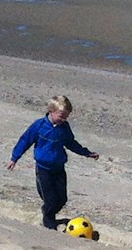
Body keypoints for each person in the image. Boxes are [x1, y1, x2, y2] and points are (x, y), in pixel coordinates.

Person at [7, 95, 100, 229]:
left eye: (66, 117)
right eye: (61, 116)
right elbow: (25, 141)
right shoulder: (39, 126)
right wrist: (14, 158)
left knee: (62, 199)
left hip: (59, 168)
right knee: (50, 200)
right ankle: (49, 226)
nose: (63, 119)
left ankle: (47, 212)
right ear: (51, 110)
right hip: (43, 169)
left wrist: (87, 153)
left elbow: (71, 143)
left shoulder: (64, 127)